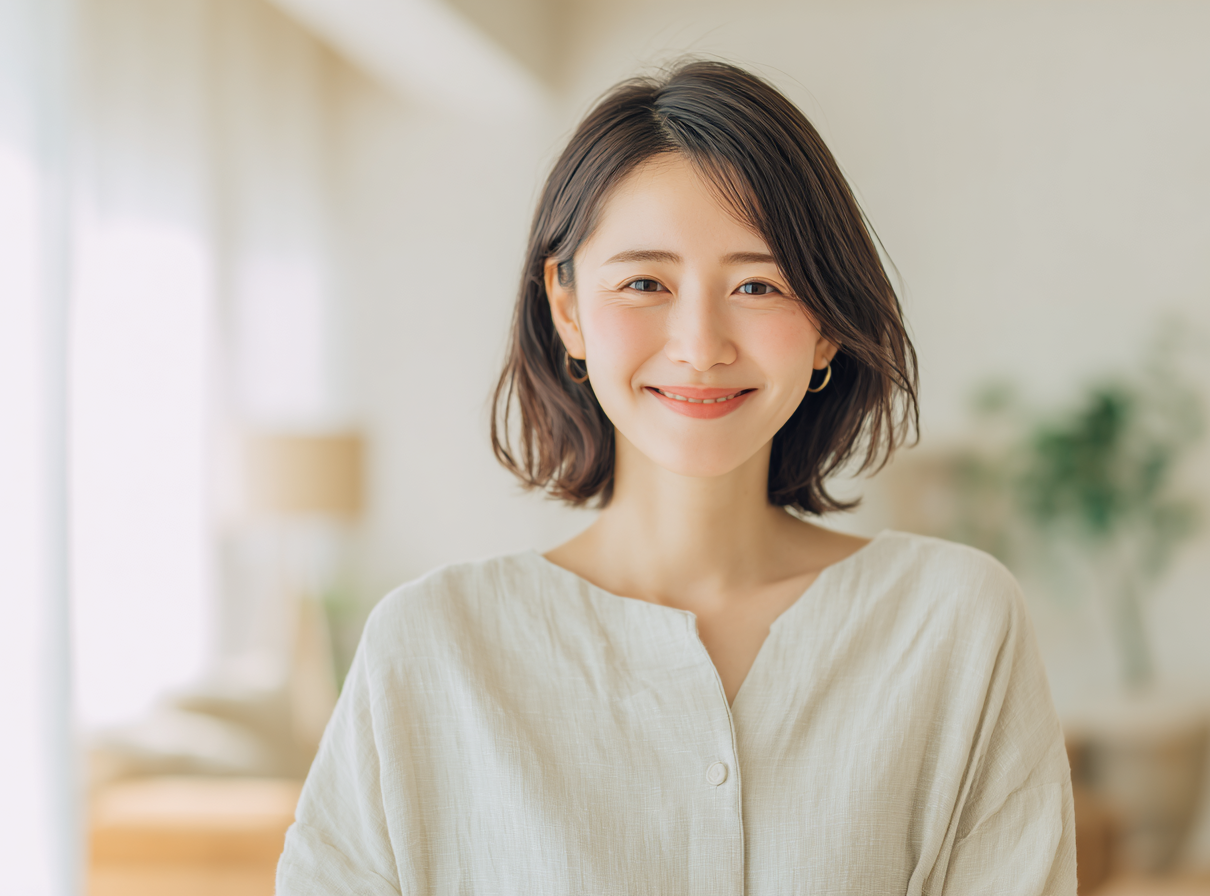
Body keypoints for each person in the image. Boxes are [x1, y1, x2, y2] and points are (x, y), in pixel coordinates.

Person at [276, 60, 1076, 894]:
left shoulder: (955, 623)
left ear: (827, 326)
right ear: (568, 308)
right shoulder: (431, 645)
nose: (700, 345)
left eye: (758, 284)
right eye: (644, 283)